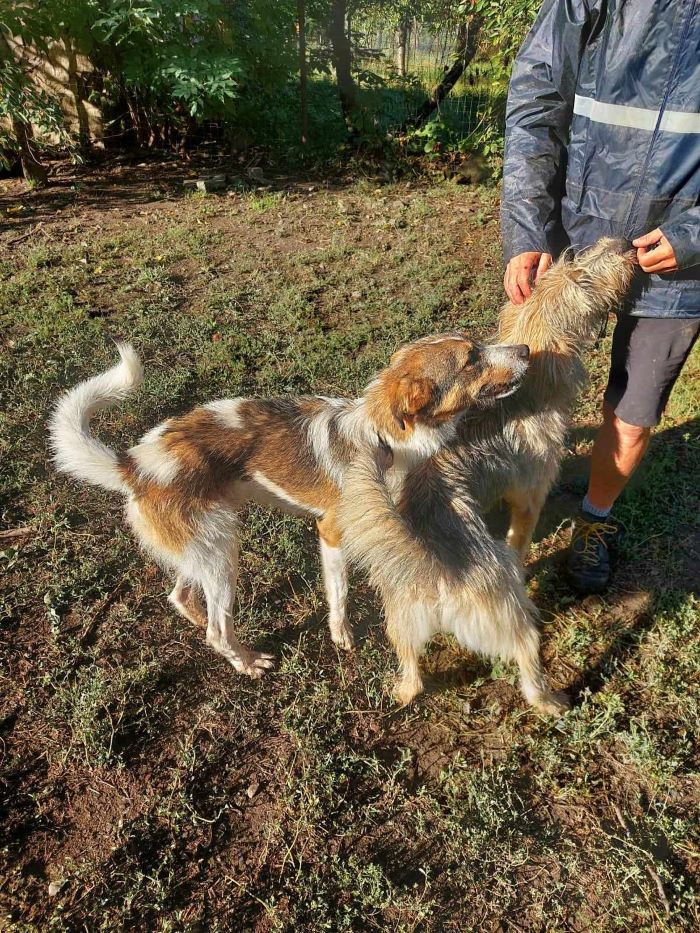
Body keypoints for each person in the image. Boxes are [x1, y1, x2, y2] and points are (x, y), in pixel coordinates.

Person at [501, 0, 700, 594]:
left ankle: (595, 518)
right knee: (521, 385)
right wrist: (528, 229)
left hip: (681, 269)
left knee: (634, 415)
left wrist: (695, 235)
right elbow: (536, 102)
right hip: (571, 241)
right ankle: (505, 491)